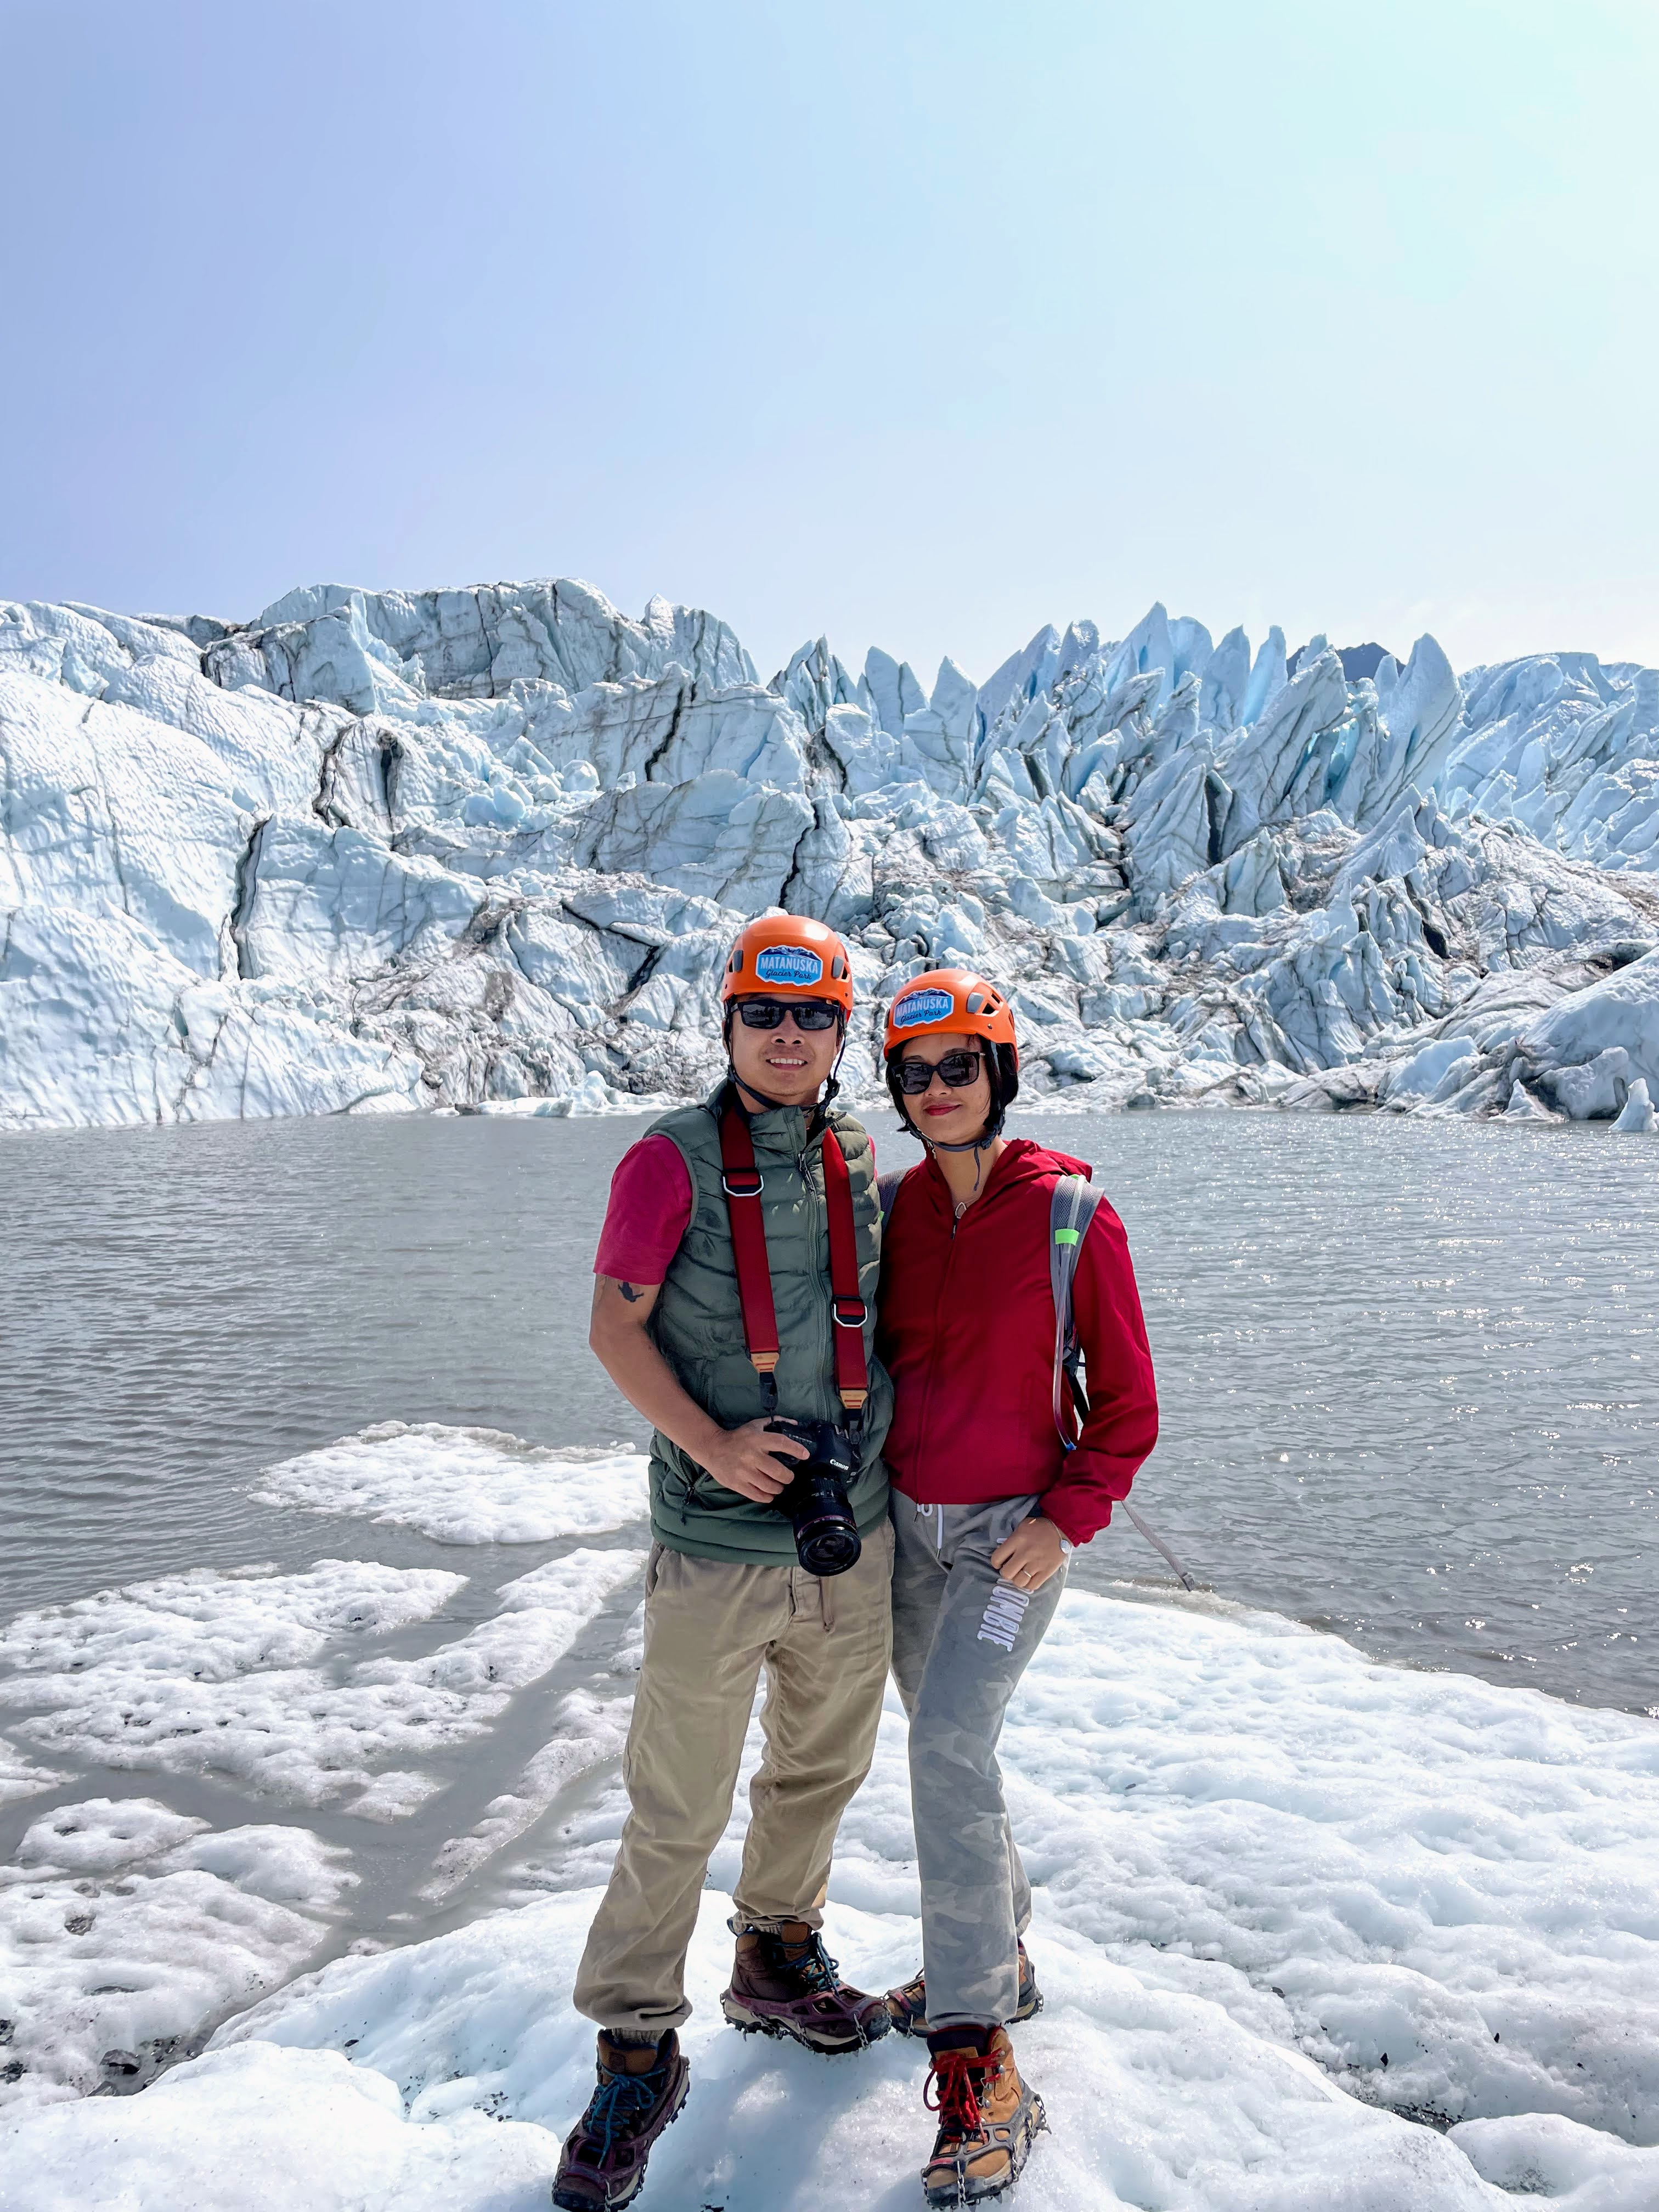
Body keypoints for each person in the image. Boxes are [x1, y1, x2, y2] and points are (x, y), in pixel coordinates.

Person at [554, 913, 897, 2212]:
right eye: (765, 1013)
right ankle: (636, 2051)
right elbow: (612, 1328)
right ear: (729, 1023)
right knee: (676, 1806)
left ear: (843, 1032)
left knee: (819, 1769)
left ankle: (776, 1954)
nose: (789, 1037)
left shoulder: (857, 1154)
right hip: (715, 1543)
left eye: (814, 1017)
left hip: (847, 1535)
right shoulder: (668, 1159)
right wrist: (711, 1444)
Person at [874, 968, 1159, 2208]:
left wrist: (1062, 1519)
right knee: (949, 1751)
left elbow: (1130, 1408)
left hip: (1006, 1545)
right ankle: (1004, 1953)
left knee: (946, 1747)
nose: (938, 1089)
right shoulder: (889, 1210)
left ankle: (979, 2049)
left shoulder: (1071, 1216)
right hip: (904, 1533)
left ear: (1001, 1074)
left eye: (961, 1066)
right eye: (916, 1072)